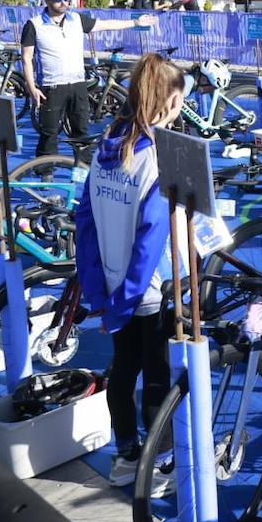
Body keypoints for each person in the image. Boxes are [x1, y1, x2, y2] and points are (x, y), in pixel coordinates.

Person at [72, 53, 188, 491]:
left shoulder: (109, 142)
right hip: (148, 290)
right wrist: (122, 300)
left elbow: (84, 218)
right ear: (171, 101)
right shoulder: (156, 156)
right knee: (157, 375)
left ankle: (125, 455)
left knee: (123, 369)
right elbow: (152, 237)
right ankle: (157, 465)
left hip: (115, 281)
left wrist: (100, 291)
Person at [22, 0, 159, 155]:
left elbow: (105, 25)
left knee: (81, 131)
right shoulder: (33, 25)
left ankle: (82, 167)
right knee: (49, 134)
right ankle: (45, 172)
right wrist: (32, 87)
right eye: (59, 0)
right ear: (47, 1)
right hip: (52, 86)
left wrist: (135, 22)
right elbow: (26, 58)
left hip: (78, 84)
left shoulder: (77, 19)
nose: (64, 3)